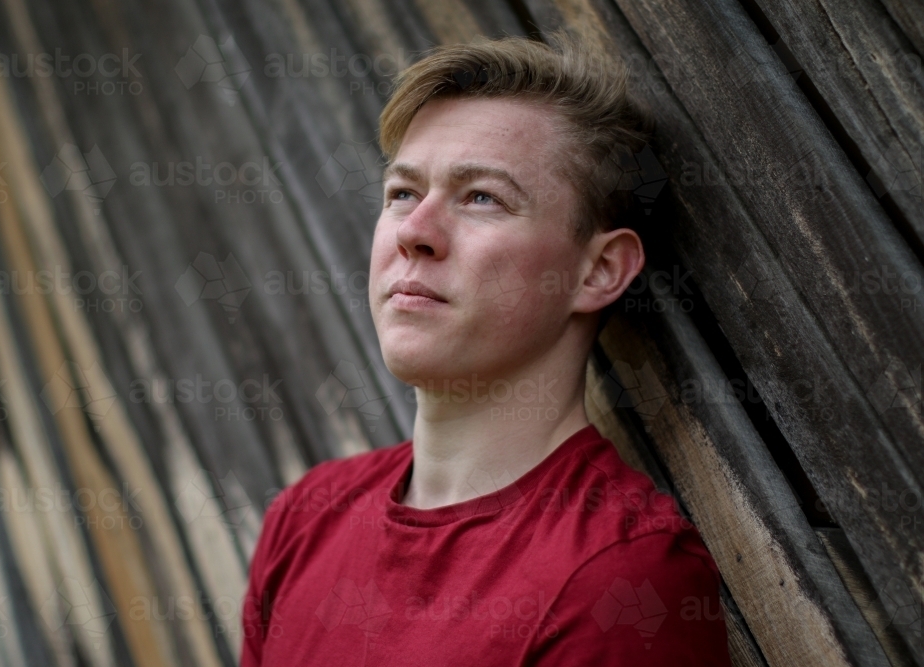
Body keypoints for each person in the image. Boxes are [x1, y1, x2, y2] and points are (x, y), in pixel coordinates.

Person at [241, 32, 730, 666]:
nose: (415, 232)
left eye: (482, 198)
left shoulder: (621, 577)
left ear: (599, 270)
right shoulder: (307, 517)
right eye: (403, 193)